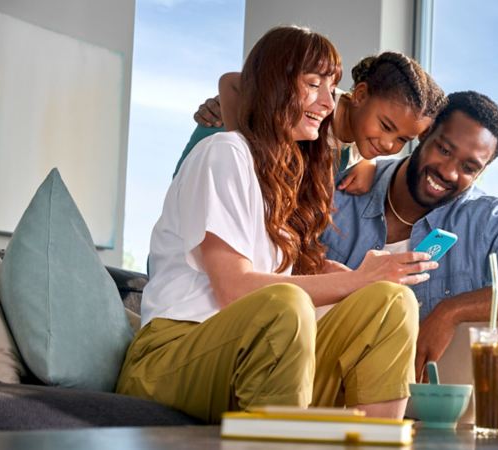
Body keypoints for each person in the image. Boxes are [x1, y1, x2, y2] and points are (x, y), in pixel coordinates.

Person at [116, 26, 439, 424]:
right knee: (285, 305)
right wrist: (357, 281)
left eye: (331, 86)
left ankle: (377, 440)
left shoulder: (295, 173)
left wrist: (352, 277)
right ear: (275, 83)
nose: (327, 102)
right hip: (174, 354)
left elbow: (278, 268)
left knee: (392, 301)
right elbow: (236, 288)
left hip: (259, 349)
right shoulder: (225, 152)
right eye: (313, 84)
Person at [321, 91, 498, 420]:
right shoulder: (345, 186)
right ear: (424, 132)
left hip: (424, 374)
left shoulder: (484, 217)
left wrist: (451, 313)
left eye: (469, 167)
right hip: (337, 369)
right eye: (444, 149)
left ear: (481, 173)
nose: (449, 172)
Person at [180, 51, 447, 194]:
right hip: (199, 204)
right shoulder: (309, 104)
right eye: (387, 126)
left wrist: (369, 163)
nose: (389, 143)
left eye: (403, 139)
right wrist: (243, 145)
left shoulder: (354, 152)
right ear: (361, 95)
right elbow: (233, 82)